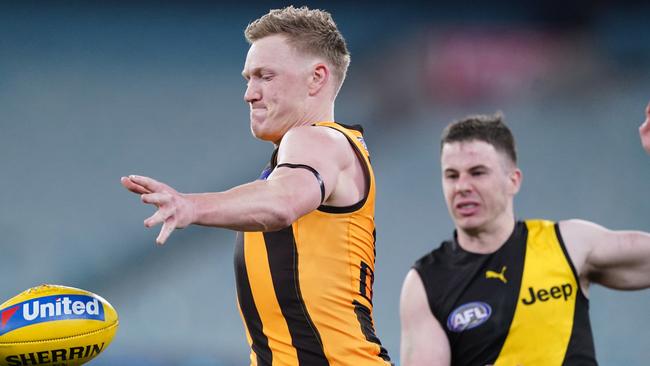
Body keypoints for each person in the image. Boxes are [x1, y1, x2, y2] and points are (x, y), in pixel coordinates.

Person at [121, 6, 391, 366]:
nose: (250, 93)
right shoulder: (318, 152)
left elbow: (284, 202)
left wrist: (192, 206)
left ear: (316, 78)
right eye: (248, 78)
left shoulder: (316, 141)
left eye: (265, 76)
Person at [399, 103, 650, 366]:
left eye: (477, 173)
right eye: (451, 175)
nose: (462, 186)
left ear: (513, 180)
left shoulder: (569, 245)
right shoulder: (426, 283)